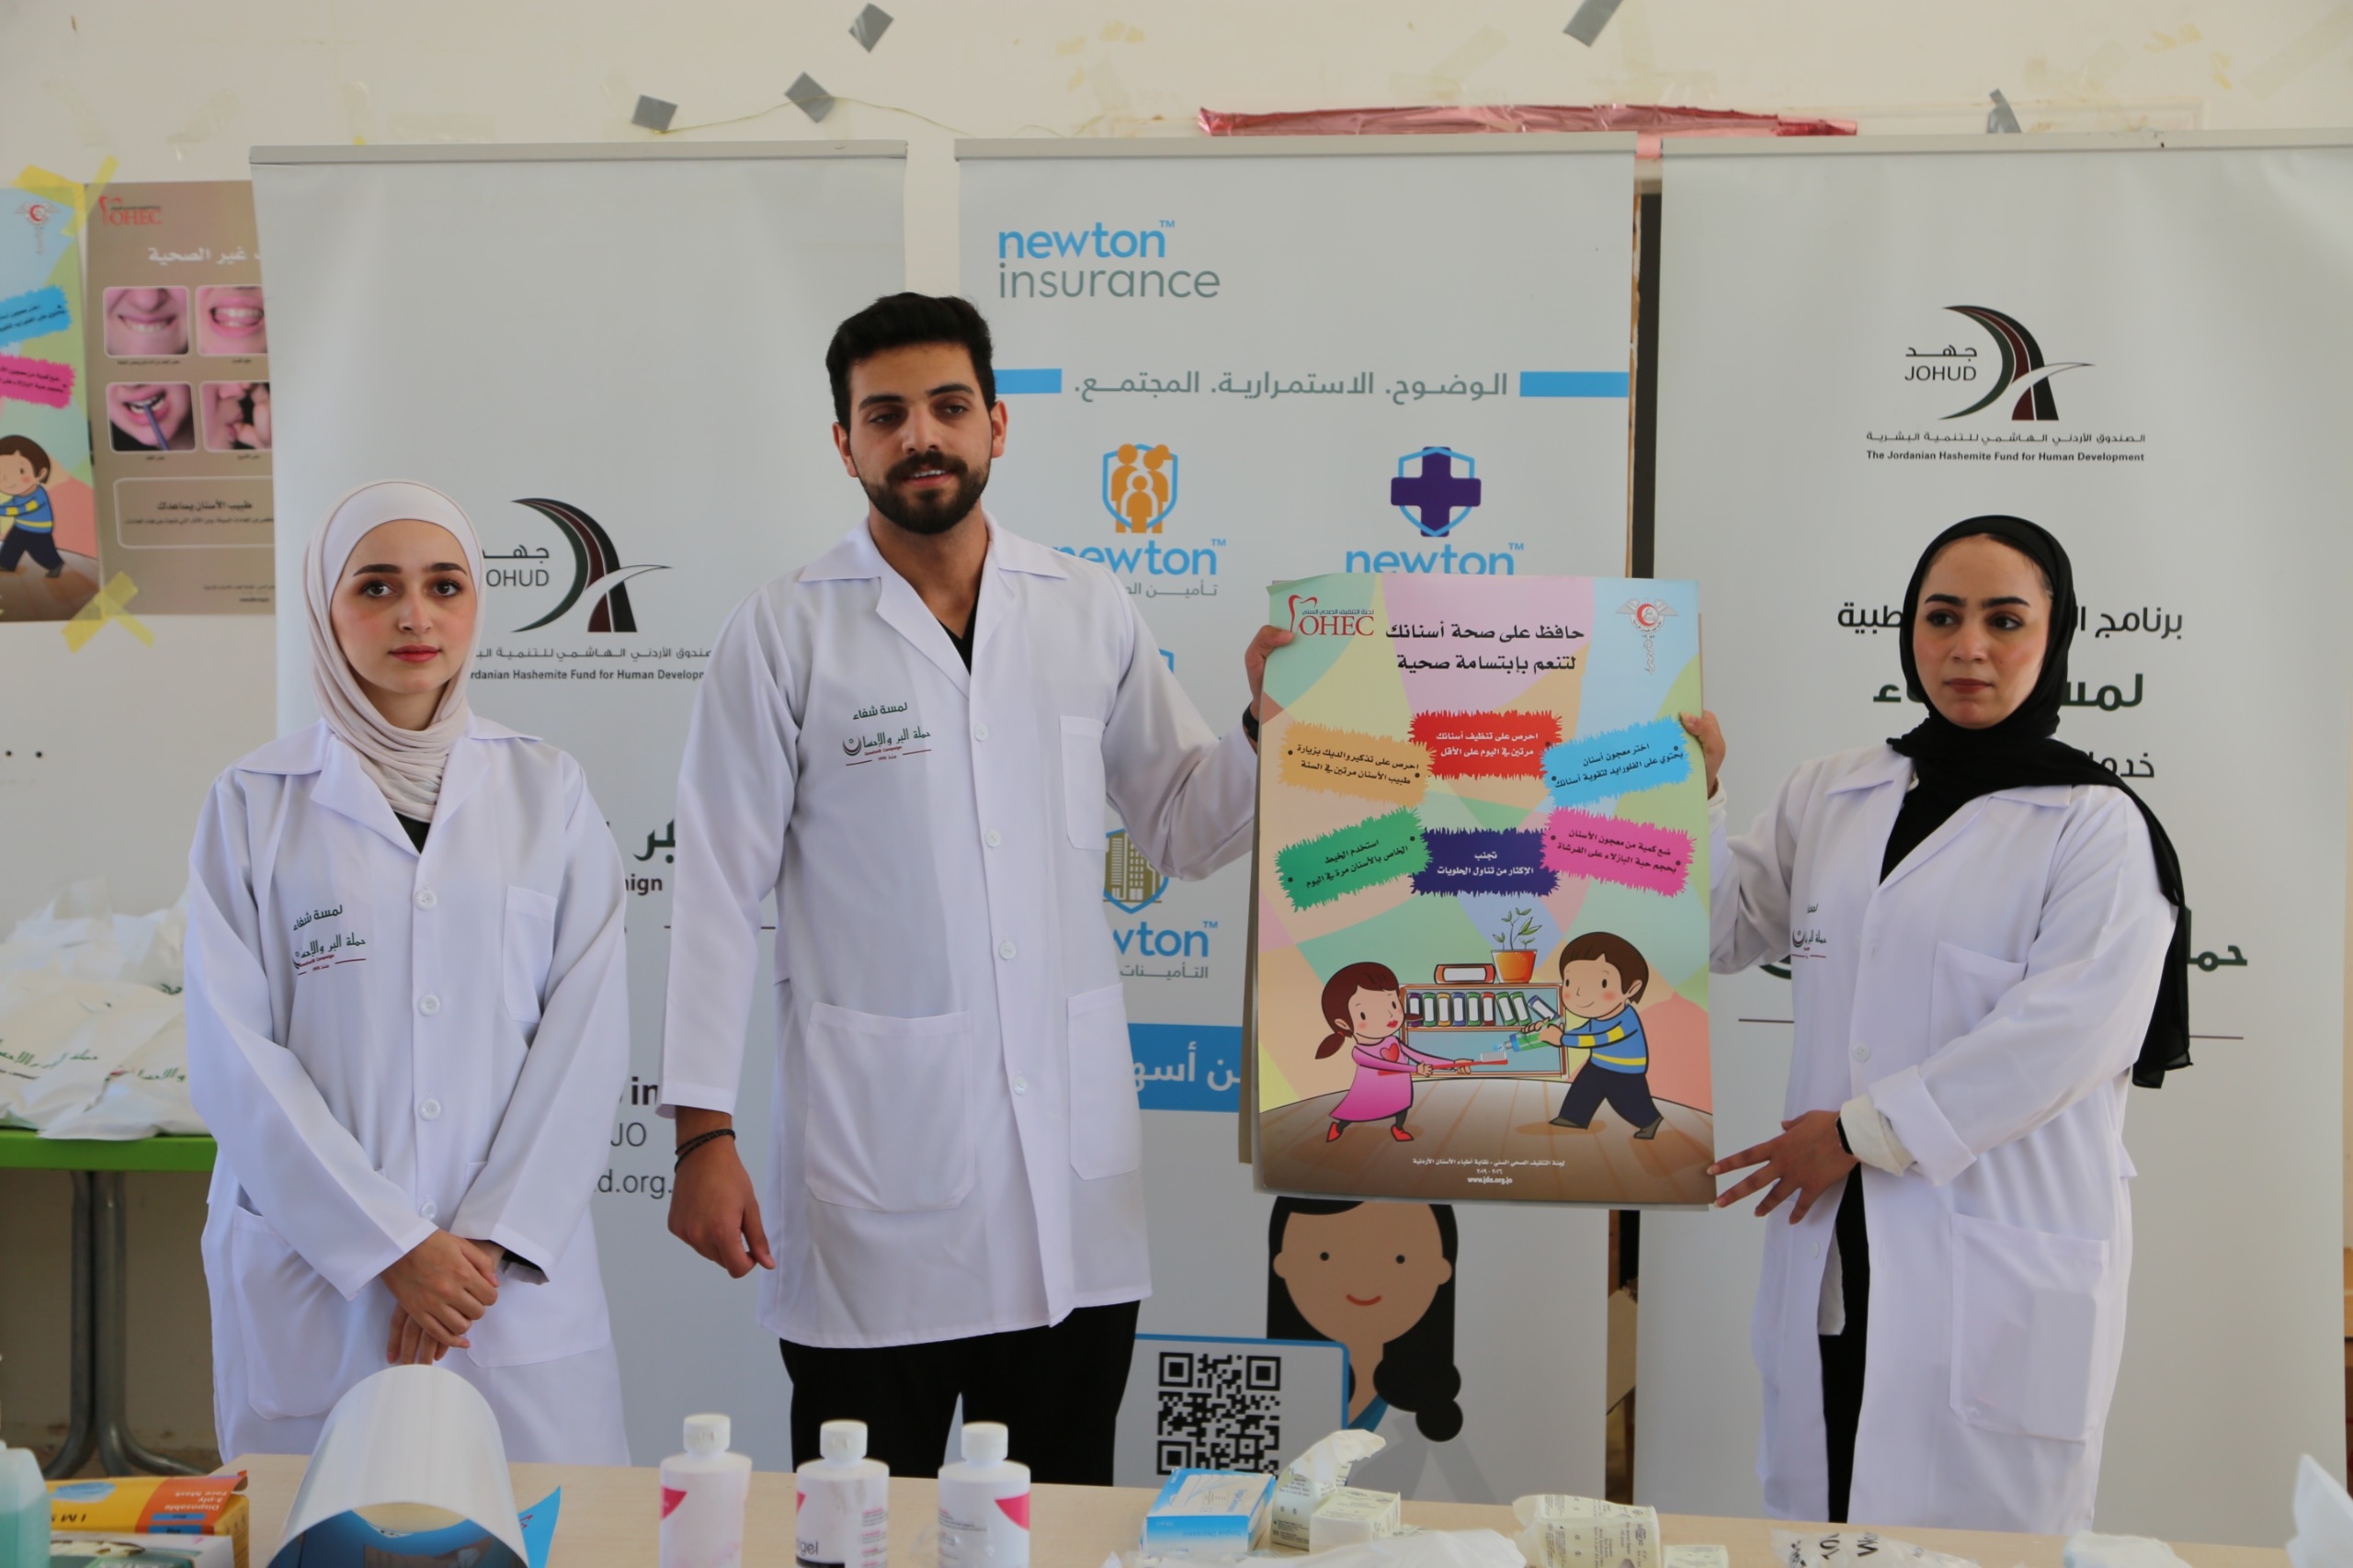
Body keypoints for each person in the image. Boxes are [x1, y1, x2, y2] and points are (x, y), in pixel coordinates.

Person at [660, 292, 1290, 1483]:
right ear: (844, 443)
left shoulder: (1086, 607)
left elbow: (1181, 827)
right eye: (885, 414)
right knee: (855, 1524)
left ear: (997, 423)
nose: (921, 436)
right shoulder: (786, 632)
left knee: (1055, 1524)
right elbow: (713, 893)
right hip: (873, 1192)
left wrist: (1265, 727)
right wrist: (702, 1131)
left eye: (948, 406)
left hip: (1069, 1208)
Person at [1690, 516, 2188, 1535]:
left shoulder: (2095, 823)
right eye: (1942, 616)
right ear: (1908, 631)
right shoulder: (1832, 792)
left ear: (2054, 634)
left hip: (1991, 1243)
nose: (1969, 647)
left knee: (1981, 1538)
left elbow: (2065, 1037)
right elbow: (1717, 932)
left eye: (2005, 620)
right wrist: (1687, 801)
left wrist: (1856, 1132)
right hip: (1835, 1231)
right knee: (1827, 1502)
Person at [185, 480, 631, 1463]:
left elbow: (587, 1032)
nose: (415, 615)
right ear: (326, 607)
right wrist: (391, 1246)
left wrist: (479, 1248)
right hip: (323, 1280)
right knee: (321, 1518)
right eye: (376, 586)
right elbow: (232, 1053)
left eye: (444, 585)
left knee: (545, 1520)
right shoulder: (254, 802)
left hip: (501, 1289)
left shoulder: (546, 789)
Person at [1265, 1198, 1472, 1498]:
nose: (1363, 1279)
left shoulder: (1426, 1417)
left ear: (1441, 1269)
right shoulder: (1271, 1396)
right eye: (1326, 1256)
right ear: (1282, 1263)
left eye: (1399, 1258)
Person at [1315, 960, 1466, 1142]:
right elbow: (1384, 1065)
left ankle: (1398, 1127)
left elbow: (1418, 1056)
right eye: (1366, 1013)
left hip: (1398, 1088)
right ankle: (1339, 1126)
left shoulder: (1393, 1041)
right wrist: (1414, 1069)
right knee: (1355, 1111)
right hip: (1369, 1092)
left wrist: (1453, 1064)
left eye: (1393, 1004)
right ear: (1343, 1024)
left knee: (1401, 1107)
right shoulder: (1359, 1052)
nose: (1389, 1015)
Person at [1540, 932, 1662, 1138]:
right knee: (1583, 1089)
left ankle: (1650, 1120)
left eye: (1602, 983)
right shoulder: (1599, 1017)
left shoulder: (1626, 1020)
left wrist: (1562, 1039)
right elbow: (1586, 1030)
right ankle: (1573, 1117)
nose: (1579, 993)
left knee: (1628, 1102)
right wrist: (1562, 1034)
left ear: (1632, 988)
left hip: (1625, 1070)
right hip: (1599, 1064)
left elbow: (1599, 1039)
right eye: (1569, 983)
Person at [0, 435, 63, 577]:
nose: (7, 479)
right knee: (11, 545)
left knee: (41, 552)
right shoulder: (18, 495)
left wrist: (3, 511)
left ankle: (55, 564)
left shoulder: (39, 495)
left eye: (21, 471)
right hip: (21, 526)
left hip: (39, 530)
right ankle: (6, 563)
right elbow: (11, 504)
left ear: (40, 474)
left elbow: (23, 509)